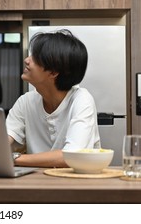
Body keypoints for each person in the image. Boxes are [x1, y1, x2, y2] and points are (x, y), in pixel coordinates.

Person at [7, 29, 100, 168]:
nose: (26, 60)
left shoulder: (81, 100)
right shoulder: (25, 101)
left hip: (78, 184)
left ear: (53, 72)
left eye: (35, 58)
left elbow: (72, 156)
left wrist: (14, 159)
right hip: (37, 182)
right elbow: (2, 143)